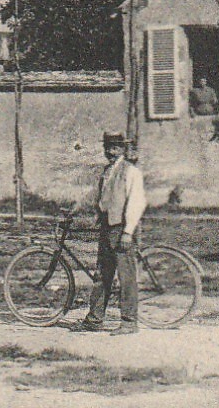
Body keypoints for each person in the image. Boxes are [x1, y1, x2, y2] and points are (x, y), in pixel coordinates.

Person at [81, 132, 147, 335]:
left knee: (126, 275)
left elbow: (137, 202)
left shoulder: (130, 172)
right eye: (108, 147)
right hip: (107, 227)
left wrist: (127, 232)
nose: (110, 151)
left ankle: (129, 322)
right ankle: (94, 319)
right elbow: (98, 197)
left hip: (121, 228)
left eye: (115, 147)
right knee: (102, 273)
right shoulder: (107, 171)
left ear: (123, 150)